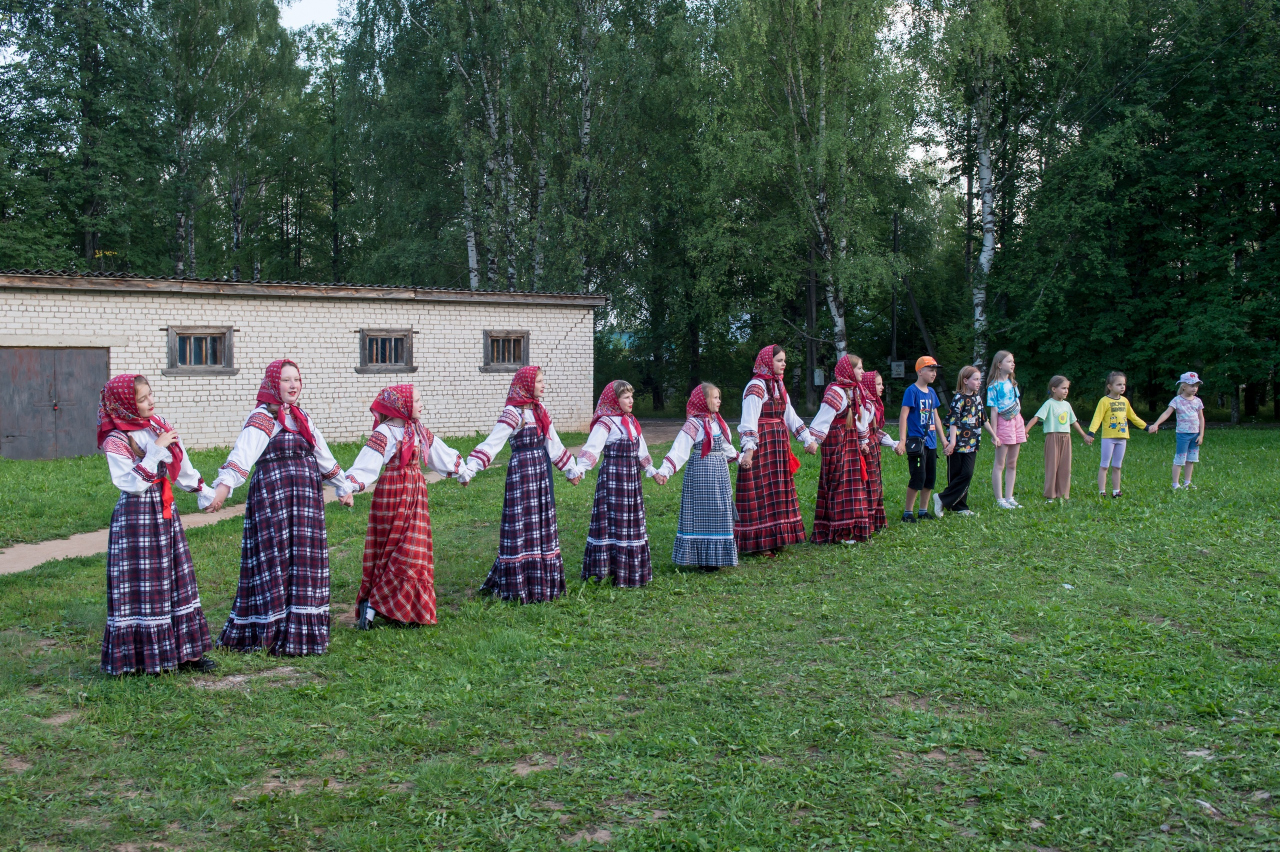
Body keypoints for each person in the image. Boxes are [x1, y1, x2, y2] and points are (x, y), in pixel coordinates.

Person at [206, 359, 355, 656]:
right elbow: (242, 456)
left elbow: (322, 455)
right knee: (274, 557)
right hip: (273, 498)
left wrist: (343, 486)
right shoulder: (262, 418)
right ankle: (271, 629)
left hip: (305, 501)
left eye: (296, 379)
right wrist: (222, 490)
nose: (293, 385)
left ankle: (301, 630)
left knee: (303, 558)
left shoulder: (302, 417)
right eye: (286, 380)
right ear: (274, 384)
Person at [97, 374, 217, 675]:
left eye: (150, 394)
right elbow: (131, 484)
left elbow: (181, 464)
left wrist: (204, 492)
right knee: (144, 583)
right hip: (135, 519)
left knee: (176, 577)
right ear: (125, 405)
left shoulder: (158, 425)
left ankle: (187, 655)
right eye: (142, 399)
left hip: (164, 512)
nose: (151, 402)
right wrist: (155, 450)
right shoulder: (116, 439)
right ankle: (142, 659)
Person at [343, 384, 473, 630]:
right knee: (391, 551)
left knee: (412, 551)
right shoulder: (385, 432)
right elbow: (367, 463)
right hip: (392, 494)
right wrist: (349, 486)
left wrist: (461, 472)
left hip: (415, 495)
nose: (421, 404)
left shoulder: (418, 430)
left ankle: (396, 609)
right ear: (402, 405)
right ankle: (375, 606)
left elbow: (440, 453)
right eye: (417, 400)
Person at [467, 366, 582, 603]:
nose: (543, 385)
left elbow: (554, 444)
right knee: (520, 522)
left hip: (540, 472)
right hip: (521, 474)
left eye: (542, 381)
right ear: (526, 385)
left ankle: (540, 582)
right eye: (539, 381)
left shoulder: (539, 410)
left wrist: (571, 470)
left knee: (540, 521)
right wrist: (471, 468)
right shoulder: (514, 413)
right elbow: (493, 443)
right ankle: (518, 584)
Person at [735, 345, 818, 554]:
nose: (784, 364)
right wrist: (749, 450)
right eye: (779, 360)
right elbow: (748, 421)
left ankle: (777, 537)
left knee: (777, 490)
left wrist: (807, 439)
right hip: (762, 445)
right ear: (767, 362)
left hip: (778, 446)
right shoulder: (756, 387)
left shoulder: (778, 384)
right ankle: (761, 544)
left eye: (784, 360)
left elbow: (790, 415)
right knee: (761, 491)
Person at [576, 381, 658, 587]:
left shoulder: (631, 421)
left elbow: (641, 451)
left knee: (630, 520)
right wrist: (580, 469)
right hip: (613, 477)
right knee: (610, 520)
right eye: (626, 397)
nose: (631, 401)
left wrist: (652, 471)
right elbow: (592, 448)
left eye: (632, 397)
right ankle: (606, 571)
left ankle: (629, 571)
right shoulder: (606, 422)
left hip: (631, 478)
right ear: (615, 400)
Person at [652, 383, 740, 571]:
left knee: (720, 511)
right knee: (702, 512)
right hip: (701, 473)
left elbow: (726, 446)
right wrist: (665, 471)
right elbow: (679, 449)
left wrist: (741, 459)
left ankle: (715, 557)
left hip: (719, 474)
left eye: (719, 397)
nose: (719, 401)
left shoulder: (717, 421)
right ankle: (703, 559)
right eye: (715, 397)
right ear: (703, 400)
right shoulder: (694, 424)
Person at [808, 354, 873, 544]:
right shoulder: (836, 392)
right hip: (836, 440)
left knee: (852, 484)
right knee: (838, 483)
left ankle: (849, 529)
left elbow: (859, 418)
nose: (862, 371)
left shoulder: (856, 390)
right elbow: (823, 419)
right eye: (859, 368)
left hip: (850, 439)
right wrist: (813, 441)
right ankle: (837, 532)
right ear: (849, 370)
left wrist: (863, 440)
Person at [934, 365, 993, 517]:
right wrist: (952, 443)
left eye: (980, 379)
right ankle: (958, 506)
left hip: (972, 444)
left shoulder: (977, 399)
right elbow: (953, 422)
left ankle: (942, 498)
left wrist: (994, 435)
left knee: (967, 473)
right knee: (956, 474)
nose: (979, 382)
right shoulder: (958, 399)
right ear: (965, 380)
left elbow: (983, 419)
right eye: (976, 379)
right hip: (958, 445)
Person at [1025, 376, 1094, 501]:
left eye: (1067, 388)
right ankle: (1050, 495)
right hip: (1053, 437)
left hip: (1066, 438)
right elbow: (1036, 417)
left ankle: (1062, 494)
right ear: (1054, 389)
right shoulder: (1049, 403)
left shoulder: (1067, 405)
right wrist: (1025, 430)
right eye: (1063, 388)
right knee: (1052, 467)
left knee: (1065, 467)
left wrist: (1084, 436)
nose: (1066, 391)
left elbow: (1074, 422)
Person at [899, 356, 950, 522]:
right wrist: (902, 440)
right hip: (917, 444)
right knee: (917, 477)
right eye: (931, 370)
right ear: (920, 371)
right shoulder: (911, 391)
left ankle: (923, 510)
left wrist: (943, 440)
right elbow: (903, 416)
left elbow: (936, 417)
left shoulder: (932, 393)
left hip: (931, 444)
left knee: (929, 479)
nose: (934, 374)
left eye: (935, 371)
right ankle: (908, 512)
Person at [1087, 370, 1148, 498]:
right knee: (1105, 465)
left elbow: (1133, 417)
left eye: (1124, 384)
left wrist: (1146, 427)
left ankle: (1116, 491)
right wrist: (1091, 433)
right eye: (1119, 384)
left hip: (1122, 438)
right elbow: (1097, 418)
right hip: (1108, 438)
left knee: (1117, 466)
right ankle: (1102, 491)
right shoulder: (1104, 401)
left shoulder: (1125, 401)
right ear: (1110, 386)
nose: (1122, 387)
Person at [1146, 371, 1207, 490]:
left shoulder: (1197, 401)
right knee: (1180, 459)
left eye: (1196, 386)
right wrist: (1156, 424)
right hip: (1183, 434)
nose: (1194, 388)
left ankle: (1187, 482)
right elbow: (1167, 413)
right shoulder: (1177, 400)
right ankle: (1175, 484)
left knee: (1191, 460)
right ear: (1183, 386)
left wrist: (1201, 435)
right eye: (1192, 385)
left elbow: (1201, 418)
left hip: (1195, 435)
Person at [985, 350, 1026, 509]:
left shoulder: (1012, 383)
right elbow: (994, 411)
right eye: (1009, 361)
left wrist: (1021, 425)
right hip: (1004, 423)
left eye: (1013, 361)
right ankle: (1000, 499)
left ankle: (1010, 497)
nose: (1012, 364)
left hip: (1017, 422)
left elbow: (1017, 404)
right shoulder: (993, 386)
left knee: (1012, 463)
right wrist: (994, 434)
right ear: (999, 365)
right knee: (1000, 463)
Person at [858, 370, 898, 531]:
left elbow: (875, 431)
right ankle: (866, 522)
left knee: (875, 485)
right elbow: (862, 429)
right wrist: (864, 443)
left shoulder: (874, 404)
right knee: (868, 485)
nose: (881, 387)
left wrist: (892, 443)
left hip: (873, 447)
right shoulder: (866, 405)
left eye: (881, 384)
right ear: (868, 385)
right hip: (866, 449)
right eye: (878, 384)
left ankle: (874, 521)